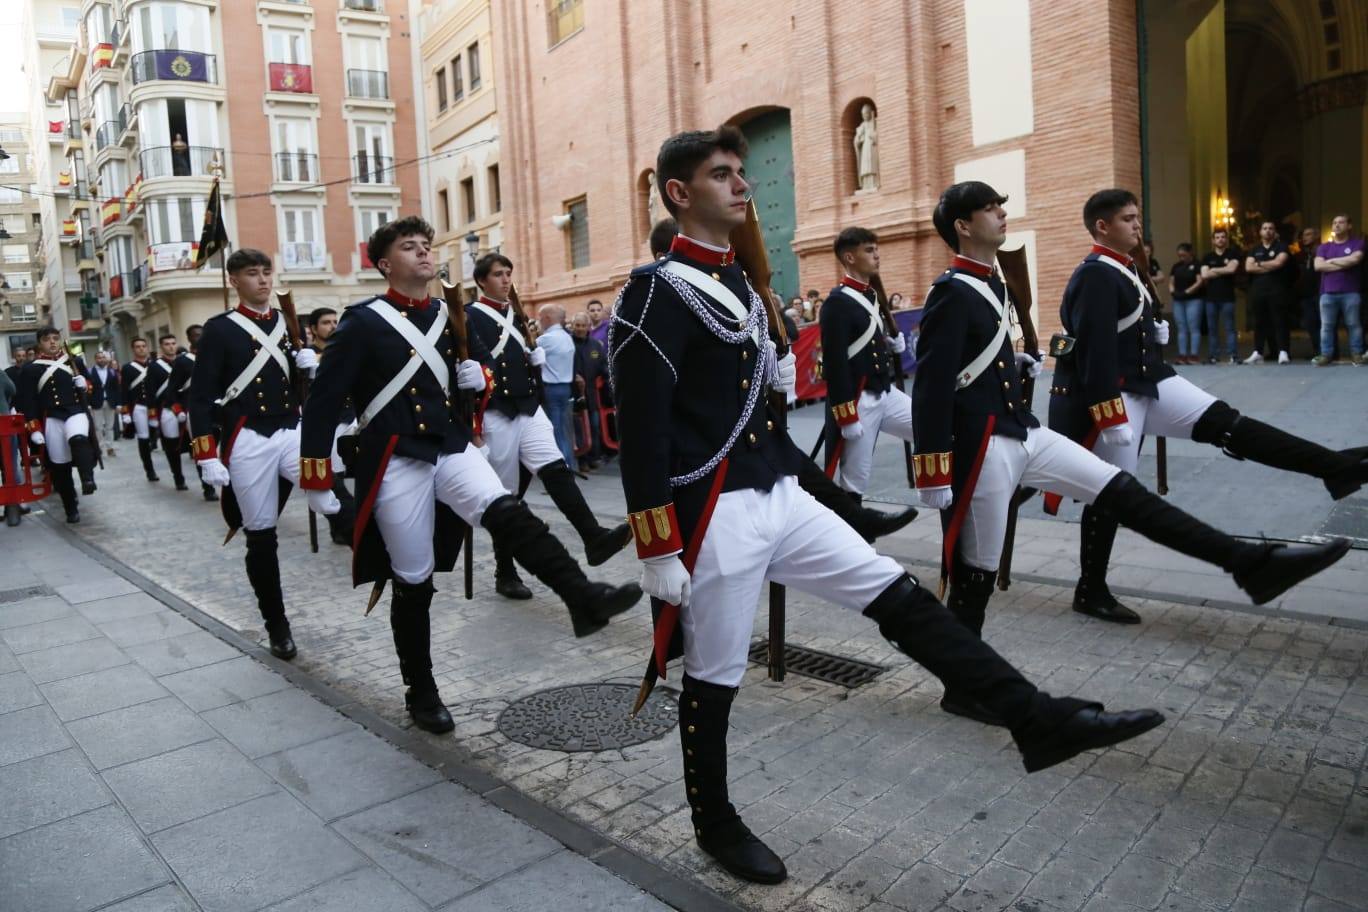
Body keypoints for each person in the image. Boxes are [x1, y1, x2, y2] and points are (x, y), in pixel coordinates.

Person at [611, 128, 1167, 886]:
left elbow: (758, 416)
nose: (743, 187)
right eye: (721, 175)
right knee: (716, 676)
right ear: (680, 194)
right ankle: (715, 818)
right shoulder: (654, 291)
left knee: (897, 595)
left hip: (775, 489)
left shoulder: (742, 284)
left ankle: (1036, 717)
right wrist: (656, 547)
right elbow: (643, 427)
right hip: (714, 509)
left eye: (743, 173)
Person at [299, 217, 641, 733]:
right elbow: (324, 400)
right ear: (385, 263)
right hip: (394, 454)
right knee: (412, 579)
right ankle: (421, 688)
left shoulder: (447, 313)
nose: (422, 254)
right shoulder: (362, 321)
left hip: (449, 443)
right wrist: (317, 473)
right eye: (408, 248)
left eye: (425, 246)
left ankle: (582, 595)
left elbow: (475, 376)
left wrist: (475, 380)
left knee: (506, 508)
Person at [1048, 188, 1360, 624]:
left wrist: (1149, 335)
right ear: (1102, 226)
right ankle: (1091, 588)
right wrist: (1108, 414)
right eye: (1128, 219)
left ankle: (1331, 467)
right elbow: (1093, 352)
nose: (1137, 225)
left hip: (1148, 380)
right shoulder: (1096, 274)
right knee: (1113, 494)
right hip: (1116, 394)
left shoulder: (1125, 268)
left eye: (1137, 218)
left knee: (1227, 423)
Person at [646, 216, 917, 543]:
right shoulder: (655, 297)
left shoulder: (727, 289)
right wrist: (657, 546)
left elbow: (757, 338)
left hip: (753, 423)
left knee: (806, 473)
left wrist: (772, 356)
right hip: (705, 445)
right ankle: (855, 520)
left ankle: (858, 521)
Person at [466, 253, 631, 600]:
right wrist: (474, 393)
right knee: (506, 499)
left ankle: (593, 537)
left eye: (509, 273)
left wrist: (534, 364)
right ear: (482, 280)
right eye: (498, 274)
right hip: (497, 412)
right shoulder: (469, 317)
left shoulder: (515, 314)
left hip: (528, 406)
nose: (505, 279)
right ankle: (505, 571)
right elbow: (471, 364)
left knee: (556, 469)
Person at [188, 250, 316, 660]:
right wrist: (206, 453)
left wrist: (308, 367)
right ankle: (277, 626)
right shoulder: (220, 329)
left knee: (328, 489)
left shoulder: (289, 322)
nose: (262, 280)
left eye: (266, 272)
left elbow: (301, 388)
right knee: (261, 537)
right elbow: (202, 396)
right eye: (251, 274)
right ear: (234, 281)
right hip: (246, 436)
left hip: (291, 428)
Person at [819, 227, 914, 500]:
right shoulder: (836, 304)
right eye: (869, 250)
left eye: (876, 249)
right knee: (854, 481)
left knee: (933, 428)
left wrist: (889, 343)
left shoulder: (871, 296)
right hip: (859, 401)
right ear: (849, 257)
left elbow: (868, 342)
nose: (877, 255)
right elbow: (835, 364)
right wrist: (846, 416)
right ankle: (856, 536)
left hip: (885, 391)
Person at [13, 326, 96, 522]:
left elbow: (91, 388)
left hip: (75, 411)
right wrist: (33, 428)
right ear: (39, 343)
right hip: (51, 416)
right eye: (47, 339)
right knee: (60, 466)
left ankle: (87, 479)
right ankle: (71, 508)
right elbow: (28, 400)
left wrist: (86, 385)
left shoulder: (74, 361)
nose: (52, 342)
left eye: (55, 338)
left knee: (78, 439)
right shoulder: (31, 369)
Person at [307, 307, 357, 545]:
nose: (332, 326)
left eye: (335, 321)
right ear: (314, 329)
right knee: (333, 478)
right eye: (326, 322)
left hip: (353, 418)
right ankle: (343, 523)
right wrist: (302, 372)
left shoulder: (346, 350)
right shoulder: (305, 355)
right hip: (329, 423)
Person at [164, 325, 218, 502]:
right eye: (195, 335)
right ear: (189, 339)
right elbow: (171, 391)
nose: (199, 337)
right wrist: (178, 410)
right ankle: (207, 487)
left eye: (201, 334)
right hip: (193, 410)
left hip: (217, 408)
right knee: (202, 447)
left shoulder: (215, 356)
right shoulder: (182, 361)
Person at [1313, 214, 1365, 365]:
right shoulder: (1324, 247)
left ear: (1349, 226)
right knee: (1327, 326)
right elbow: (1318, 266)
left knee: (1353, 324)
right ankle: (1326, 354)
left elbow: (1355, 260)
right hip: (1327, 292)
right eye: (1334, 222)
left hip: (1351, 291)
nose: (1337, 225)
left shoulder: (1358, 243)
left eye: (1341, 222)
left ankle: (1356, 353)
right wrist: (1344, 263)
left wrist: (1331, 261)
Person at [535, 303, 578, 470]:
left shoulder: (546, 339)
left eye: (540, 318)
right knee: (564, 429)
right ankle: (569, 464)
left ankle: (562, 468)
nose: (539, 322)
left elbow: (528, 352)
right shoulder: (567, 337)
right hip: (565, 388)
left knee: (554, 430)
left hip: (551, 389)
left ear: (547, 318)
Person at [1244, 221, 1292, 364]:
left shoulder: (1281, 246)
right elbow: (1248, 267)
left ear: (1275, 231)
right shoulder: (1255, 249)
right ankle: (1258, 351)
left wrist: (1258, 264)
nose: (1268, 231)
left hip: (1277, 289)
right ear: (1260, 232)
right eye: (1264, 228)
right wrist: (1269, 265)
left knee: (1279, 320)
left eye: (1271, 228)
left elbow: (1279, 263)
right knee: (1259, 322)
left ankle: (1283, 351)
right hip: (1258, 290)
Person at [148, 334, 190, 491]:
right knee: (172, 446)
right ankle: (178, 477)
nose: (171, 346)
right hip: (167, 408)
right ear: (161, 347)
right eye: (167, 344)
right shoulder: (155, 366)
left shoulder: (185, 362)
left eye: (173, 343)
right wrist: (152, 414)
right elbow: (152, 392)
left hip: (187, 407)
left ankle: (207, 486)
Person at [570, 311, 606, 469]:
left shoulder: (596, 345)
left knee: (594, 426)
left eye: (583, 325)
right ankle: (582, 460)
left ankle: (594, 457)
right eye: (577, 325)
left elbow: (603, 366)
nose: (580, 328)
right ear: (572, 326)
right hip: (573, 393)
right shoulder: (568, 343)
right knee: (579, 430)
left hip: (592, 395)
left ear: (588, 327)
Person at [1200, 228, 1242, 363]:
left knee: (1230, 328)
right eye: (1217, 237)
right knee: (1212, 329)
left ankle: (1233, 355)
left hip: (1228, 297)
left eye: (1223, 237)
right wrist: (1223, 270)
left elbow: (1232, 269)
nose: (1220, 239)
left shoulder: (1233, 254)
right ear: (1213, 240)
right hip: (1211, 298)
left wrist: (1213, 269)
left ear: (1226, 239)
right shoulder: (1207, 257)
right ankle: (1213, 356)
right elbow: (1204, 275)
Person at [1168, 243, 1204, 364]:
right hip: (1178, 300)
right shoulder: (1176, 266)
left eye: (1183, 255)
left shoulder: (1197, 265)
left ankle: (1193, 355)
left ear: (1190, 253)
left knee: (1193, 327)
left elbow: (1199, 281)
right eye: (1179, 256)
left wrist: (1187, 292)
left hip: (1193, 299)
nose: (1181, 258)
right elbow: (1171, 281)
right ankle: (1182, 355)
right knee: (1181, 327)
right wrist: (1173, 291)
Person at [1294, 227, 1326, 360]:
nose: (1305, 237)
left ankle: (1328, 351)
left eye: (1308, 234)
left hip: (1320, 291)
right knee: (1310, 323)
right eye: (1303, 235)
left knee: (1324, 323)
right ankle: (1317, 350)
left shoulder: (1323, 250)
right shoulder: (1300, 254)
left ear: (1316, 235)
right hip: (1305, 294)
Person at [86, 350, 121, 454]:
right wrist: (88, 404)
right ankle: (99, 447)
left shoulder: (112, 371)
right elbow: (87, 389)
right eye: (99, 358)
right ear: (95, 359)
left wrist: (119, 403)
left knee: (110, 426)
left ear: (106, 359)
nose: (101, 359)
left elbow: (117, 389)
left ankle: (110, 447)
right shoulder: (90, 371)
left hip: (110, 402)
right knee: (98, 427)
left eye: (103, 357)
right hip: (96, 402)